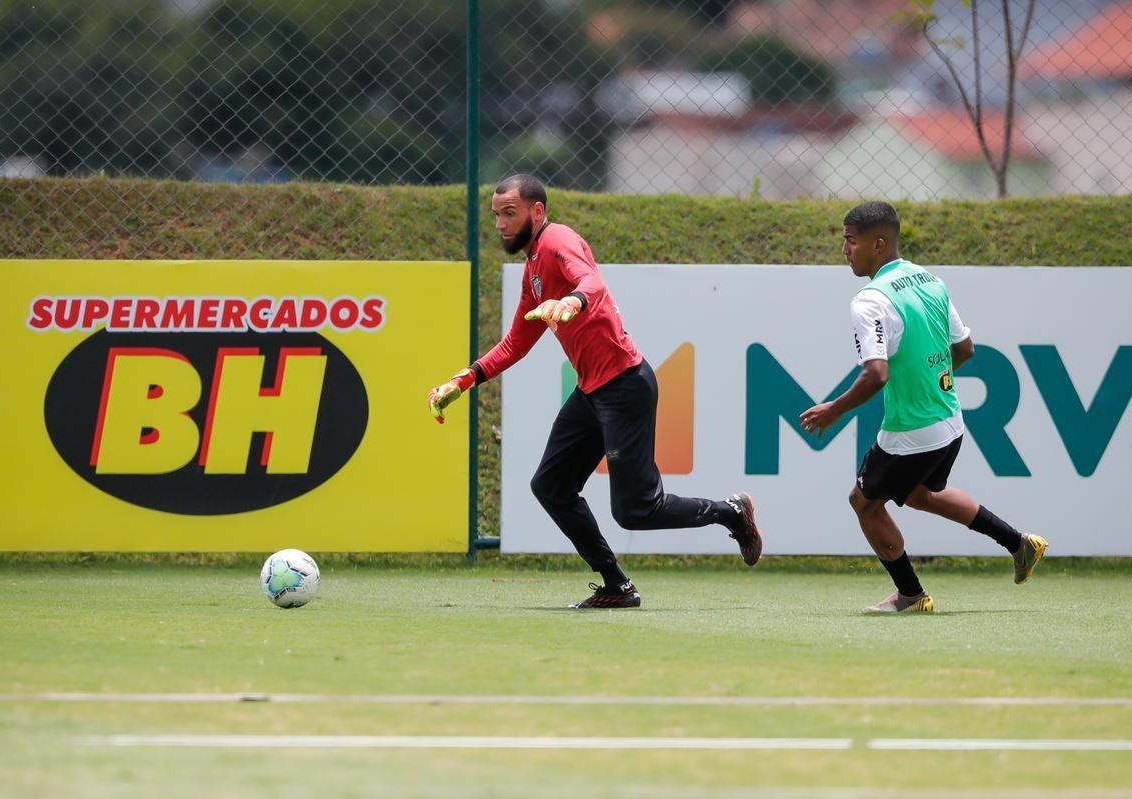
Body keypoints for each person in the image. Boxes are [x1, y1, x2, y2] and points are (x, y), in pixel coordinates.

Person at [427, 174, 763, 608]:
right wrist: (465, 379)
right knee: (551, 485)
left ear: (537, 212)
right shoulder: (533, 269)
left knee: (636, 511)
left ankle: (731, 512)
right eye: (496, 215)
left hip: (624, 387)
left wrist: (572, 302)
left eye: (510, 213)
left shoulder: (558, 240)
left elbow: (592, 284)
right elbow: (515, 344)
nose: (500, 224)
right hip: (591, 393)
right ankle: (616, 585)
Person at [799, 201, 1047, 613]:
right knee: (919, 494)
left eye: (850, 241)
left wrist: (835, 409)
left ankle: (911, 594)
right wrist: (929, 379)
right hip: (950, 422)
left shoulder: (870, 300)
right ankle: (1018, 543)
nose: (844, 250)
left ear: (878, 244)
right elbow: (964, 349)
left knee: (864, 503)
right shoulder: (929, 280)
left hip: (910, 431)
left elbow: (876, 374)